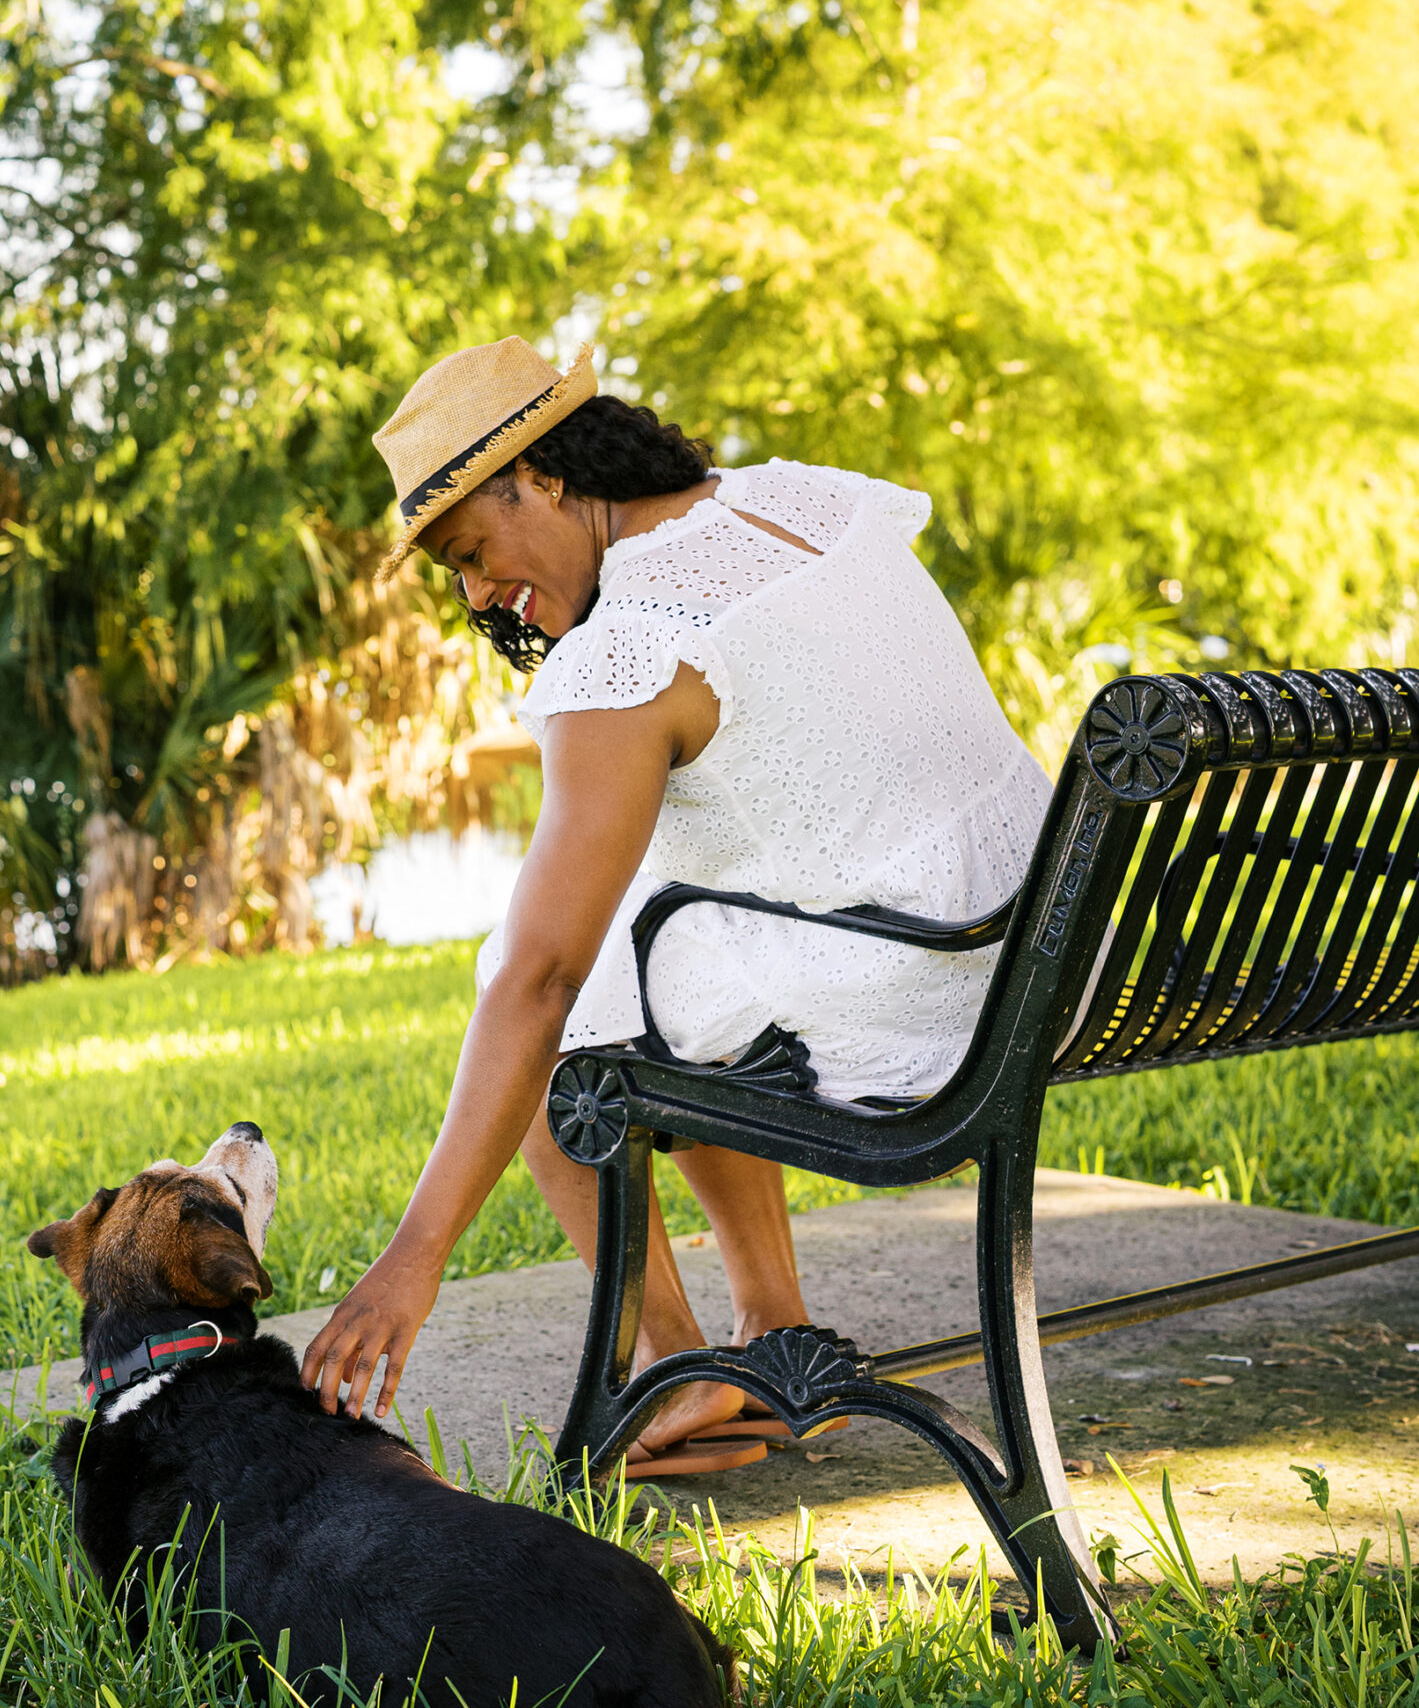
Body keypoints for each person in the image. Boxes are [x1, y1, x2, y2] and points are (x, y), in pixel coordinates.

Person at [301, 336, 1051, 1468]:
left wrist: (415, 1254)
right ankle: (771, 1324)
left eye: (471, 548)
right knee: (660, 929)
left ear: (544, 475)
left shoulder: (634, 648)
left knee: (556, 1010)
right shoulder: (803, 502)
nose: (473, 591)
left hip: (931, 1007)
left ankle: (676, 1364)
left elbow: (540, 981)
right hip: (1046, 947)